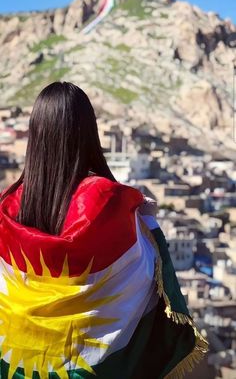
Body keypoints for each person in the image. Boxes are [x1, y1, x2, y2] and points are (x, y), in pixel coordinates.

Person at [0, 82, 208, 379]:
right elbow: (146, 272)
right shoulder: (109, 202)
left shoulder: (10, 209)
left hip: (22, 357)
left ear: (36, 136)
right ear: (88, 133)